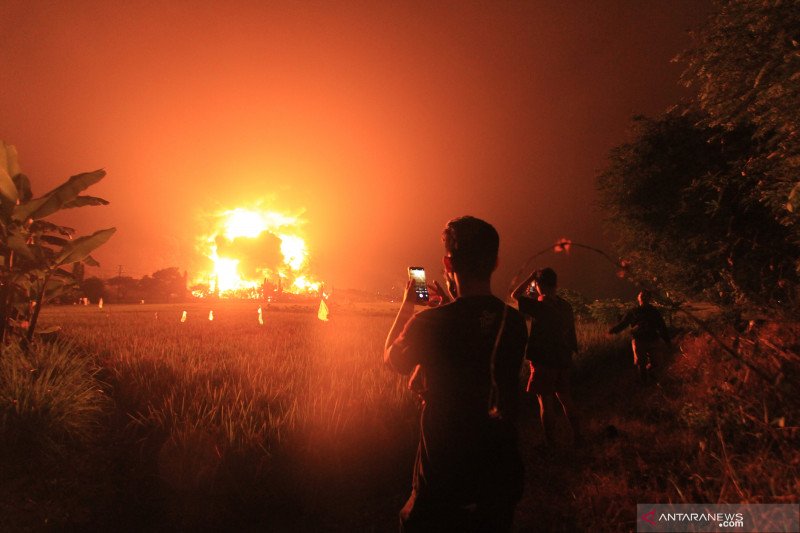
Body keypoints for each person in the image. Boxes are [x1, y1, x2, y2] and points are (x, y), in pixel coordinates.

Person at [384, 216, 528, 532]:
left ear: (448, 263)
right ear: (496, 262)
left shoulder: (430, 323)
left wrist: (408, 304)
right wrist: (451, 301)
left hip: (444, 475)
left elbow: (392, 358)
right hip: (499, 471)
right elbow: (475, 337)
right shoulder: (515, 323)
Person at [511, 267, 582, 448]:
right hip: (563, 359)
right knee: (566, 399)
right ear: (556, 284)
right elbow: (570, 333)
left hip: (544, 360)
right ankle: (579, 436)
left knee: (545, 402)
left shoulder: (540, 306)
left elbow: (515, 295)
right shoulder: (565, 306)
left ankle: (551, 444)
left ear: (539, 285)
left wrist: (530, 277)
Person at [608, 289, 671, 384]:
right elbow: (624, 323)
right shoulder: (634, 311)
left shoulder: (654, 311)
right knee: (641, 363)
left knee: (656, 362)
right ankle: (644, 382)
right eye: (641, 295)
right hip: (639, 340)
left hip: (653, 339)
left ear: (649, 298)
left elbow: (661, 326)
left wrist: (667, 340)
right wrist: (613, 331)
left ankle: (649, 371)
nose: (643, 297)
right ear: (638, 298)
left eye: (645, 296)